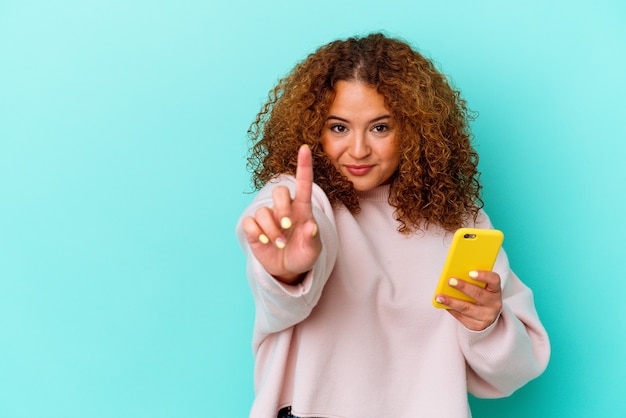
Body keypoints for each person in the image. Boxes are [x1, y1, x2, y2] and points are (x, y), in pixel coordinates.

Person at [236, 33, 550, 418]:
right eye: (338, 127)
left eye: (380, 127)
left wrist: (487, 325)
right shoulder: (304, 201)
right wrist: (286, 273)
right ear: (314, 128)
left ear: (415, 129)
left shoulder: (459, 221)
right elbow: (278, 247)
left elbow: (515, 371)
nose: (358, 149)